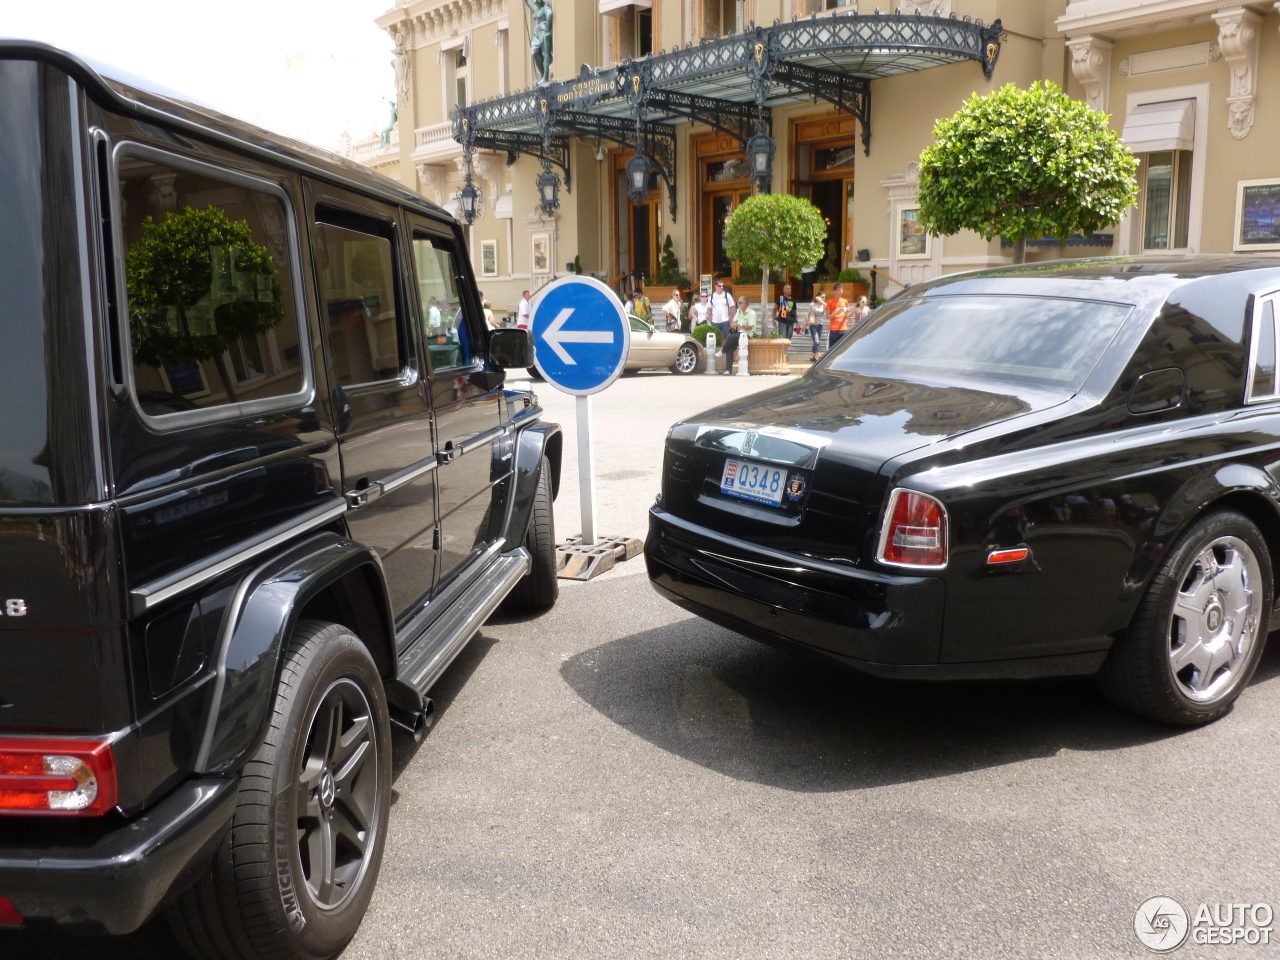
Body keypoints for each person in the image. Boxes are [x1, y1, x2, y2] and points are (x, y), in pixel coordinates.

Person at [826, 282, 850, 351]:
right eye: (839, 290)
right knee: (832, 349)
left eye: (841, 290)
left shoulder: (845, 301)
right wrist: (836, 313)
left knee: (844, 348)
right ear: (834, 291)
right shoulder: (830, 302)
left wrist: (847, 314)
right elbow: (827, 316)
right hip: (834, 329)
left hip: (843, 328)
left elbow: (846, 315)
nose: (840, 291)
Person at [709, 277, 734, 342]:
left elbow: (732, 307)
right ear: (715, 286)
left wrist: (730, 318)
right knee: (715, 339)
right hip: (714, 322)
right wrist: (710, 320)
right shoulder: (711, 296)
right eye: (719, 286)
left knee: (724, 339)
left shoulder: (727, 295)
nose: (721, 287)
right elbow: (709, 309)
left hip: (725, 322)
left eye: (722, 286)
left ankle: (723, 351)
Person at [807, 288, 826, 362]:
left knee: (817, 341)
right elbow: (807, 315)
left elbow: (828, 306)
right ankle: (819, 355)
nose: (824, 298)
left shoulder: (823, 305)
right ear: (817, 297)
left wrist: (821, 301)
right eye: (822, 297)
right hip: (813, 325)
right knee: (816, 341)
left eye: (824, 297)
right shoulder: (812, 304)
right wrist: (805, 324)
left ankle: (812, 357)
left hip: (820, 325)